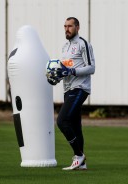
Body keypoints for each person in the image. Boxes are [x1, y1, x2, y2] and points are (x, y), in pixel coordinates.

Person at [47, 17, 95, 170]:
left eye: (70, 26)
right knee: (75, 125)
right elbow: (64, 69)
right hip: (68, 89)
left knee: (62, 121)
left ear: (77, 27)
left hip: (80, 88)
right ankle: (82, 164)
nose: (67, 29)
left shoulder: (83, 44)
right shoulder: (64, 47)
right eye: (65, 26)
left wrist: (72, 71)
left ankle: (79, 155)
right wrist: (56, 75)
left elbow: (91, 68)